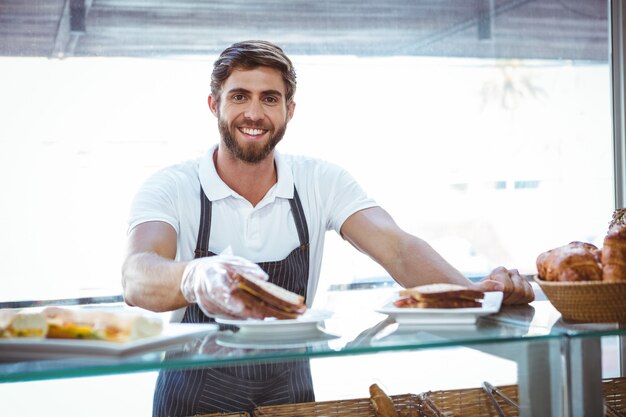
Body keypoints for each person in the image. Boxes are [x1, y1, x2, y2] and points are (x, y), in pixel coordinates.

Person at [121, 40, 535, 416]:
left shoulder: (320, 181)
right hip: (193, 398)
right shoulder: (172, 186)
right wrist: (194, 276)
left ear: (290, 110)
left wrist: (477, 296)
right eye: (239, 96)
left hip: (290, 391)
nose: (254, 113)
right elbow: (137, 275)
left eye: (270, 98)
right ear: (214, 104)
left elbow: (398, 249)